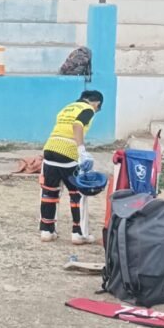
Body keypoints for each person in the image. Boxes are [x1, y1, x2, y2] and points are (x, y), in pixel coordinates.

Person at [40, 89, 104, 244]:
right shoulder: (87, 109)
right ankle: (79, 233)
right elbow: (77, 125)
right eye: (98, 108)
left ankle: (47, 231)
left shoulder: (66, 108)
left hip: (49, 150)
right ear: (97, 103)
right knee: (78, 194)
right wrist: (82, 151)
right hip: (68, 152)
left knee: (49, 192)